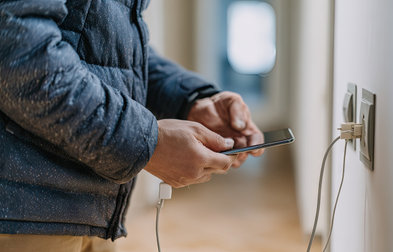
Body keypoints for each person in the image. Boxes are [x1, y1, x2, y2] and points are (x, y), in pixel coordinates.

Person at [0, 0, 264, 251]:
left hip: (88, 209)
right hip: (23, 216)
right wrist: (148, 142)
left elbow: (109, 50)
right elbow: (21, 55)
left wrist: (190, 100)